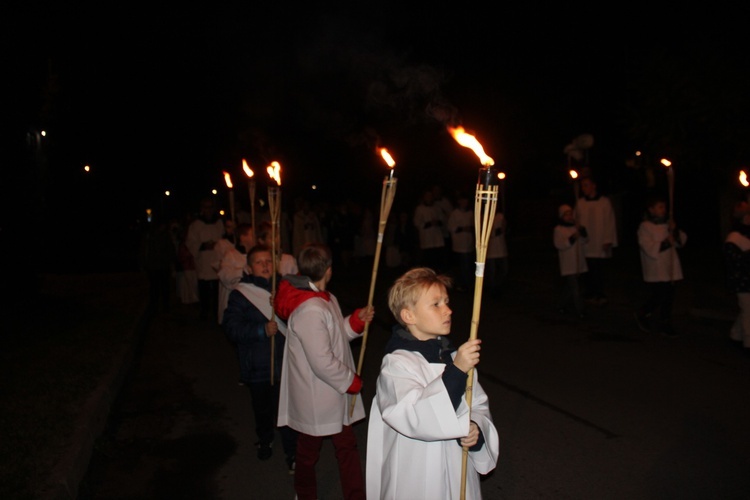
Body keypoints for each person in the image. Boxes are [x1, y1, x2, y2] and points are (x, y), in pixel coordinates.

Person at [366, 267, 499, 500]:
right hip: (416, 477)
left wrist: (476, 430)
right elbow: (415, 416)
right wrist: (456, 371)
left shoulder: (453, 355)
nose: (448, 310)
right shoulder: (397, 363)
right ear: (409, 316)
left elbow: (477, 404)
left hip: (458, 470)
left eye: (446, 302)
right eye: (436, 304)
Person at [274, 243, 374, 500]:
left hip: (333, 392)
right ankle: (305, 495)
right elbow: (321, 361)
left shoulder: (323, 299)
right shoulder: (310, 308)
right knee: (308, 453)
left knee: (346, 447)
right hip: (317, 397)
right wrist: (351, 381)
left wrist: (355, 321)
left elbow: (335, 336)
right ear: (328, 270)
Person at [222, 245, 298, 474]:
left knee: (288, 411)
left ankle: (291, 453)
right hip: (258, 366)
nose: (265, 265)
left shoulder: (286, 286)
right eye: (259, 262)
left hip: (285, 363)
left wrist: (284, 305)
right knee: (263, 409)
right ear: (248, 267)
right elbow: (232, 327)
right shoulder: (241, 294)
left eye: (268, 261)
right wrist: (260, 330)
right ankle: (265, 439)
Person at [634, 193, 686, 337]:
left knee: (669, 296)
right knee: (659, 295)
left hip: (670, 266)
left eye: (664, 207)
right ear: (651, 210)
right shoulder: (645, 226)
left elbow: (680, 242)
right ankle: (643, 312)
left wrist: (674, 230)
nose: (664, 210)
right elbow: (647, 246)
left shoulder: (667, 225)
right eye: (660, 207)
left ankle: (665, 322)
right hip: (656, 267)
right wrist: (665, 243)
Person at [576, 176, 618, 306]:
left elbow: (610, 221)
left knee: (599, 269)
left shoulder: (604, 202)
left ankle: (600, 293)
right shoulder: (580, 203)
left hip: (599, 240)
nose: (584, 188)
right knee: (587, 268)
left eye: (587, 185)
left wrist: (608, 239)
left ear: (594, 186)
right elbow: (575, 221)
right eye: (582, 186)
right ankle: (589, 292)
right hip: (586, 242)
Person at [186, 197, 225, 320]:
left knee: (217, 290)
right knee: (204, 289)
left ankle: (216, 312)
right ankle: (204, 311)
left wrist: (218, 244)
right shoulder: (196, 225)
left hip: (217, 259)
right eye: (206, 207)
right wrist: (203, 245)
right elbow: (190, 242)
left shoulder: (219, 223)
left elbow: (224, 239)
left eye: (210, 207)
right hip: (203, 260)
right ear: (202, 209)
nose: (208, 210)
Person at [723, 201, 750, 351]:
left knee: (747, 309)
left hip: (747, 279)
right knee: (748, 311)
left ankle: (735, 334)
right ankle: (748, 343)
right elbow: (733, 260)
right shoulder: (734, 237)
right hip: (742, 281)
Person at [553, 204, 588, 319]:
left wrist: (582, 233)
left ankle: (560, 305)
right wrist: (572, 238)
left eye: (570, 214)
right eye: (566, 214)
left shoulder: (575, 227)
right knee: (575, 288)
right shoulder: (558, 229)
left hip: (578, 262)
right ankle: (581, 310)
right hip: (568, 263)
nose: (569, 216)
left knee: (570, 287)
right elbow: (559, 245)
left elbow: (584, 241)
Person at [216, 223, 255, 325]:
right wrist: (243, 271)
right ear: (243, 237)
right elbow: (224, 275)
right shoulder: (231, 254)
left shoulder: (255, 255)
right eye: (251, 234)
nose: (255, 237)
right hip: (233, 301)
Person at [413, 188, 447, 272]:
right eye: (427, 196)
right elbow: (417, 222)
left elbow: (443, 219)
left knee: (438, 260)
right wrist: (428, 224)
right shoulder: (420, 209)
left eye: (430, 196)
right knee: (427, 260)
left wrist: (437, 222)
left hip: (437, 238)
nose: (429, 198)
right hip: (427, 239)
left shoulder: (437, 208)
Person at [447, 191, 475, 292]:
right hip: (459, 244)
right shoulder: (455, 213)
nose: (464, 202)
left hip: (469, 243)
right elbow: (450, 227)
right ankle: (463, 284)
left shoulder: (471, 213)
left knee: (469, 265)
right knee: (462, 265)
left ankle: (468, 284)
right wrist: (463, 229)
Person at [485, 211, 508, 297]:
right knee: (492, 271)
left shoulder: (500, 216)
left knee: (504, 270)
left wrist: (503, 227)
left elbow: (503, 229)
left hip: (501, 248)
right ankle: (492, 290)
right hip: (491, 250)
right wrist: (497, 231)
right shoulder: (484, 216)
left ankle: (499, 287)